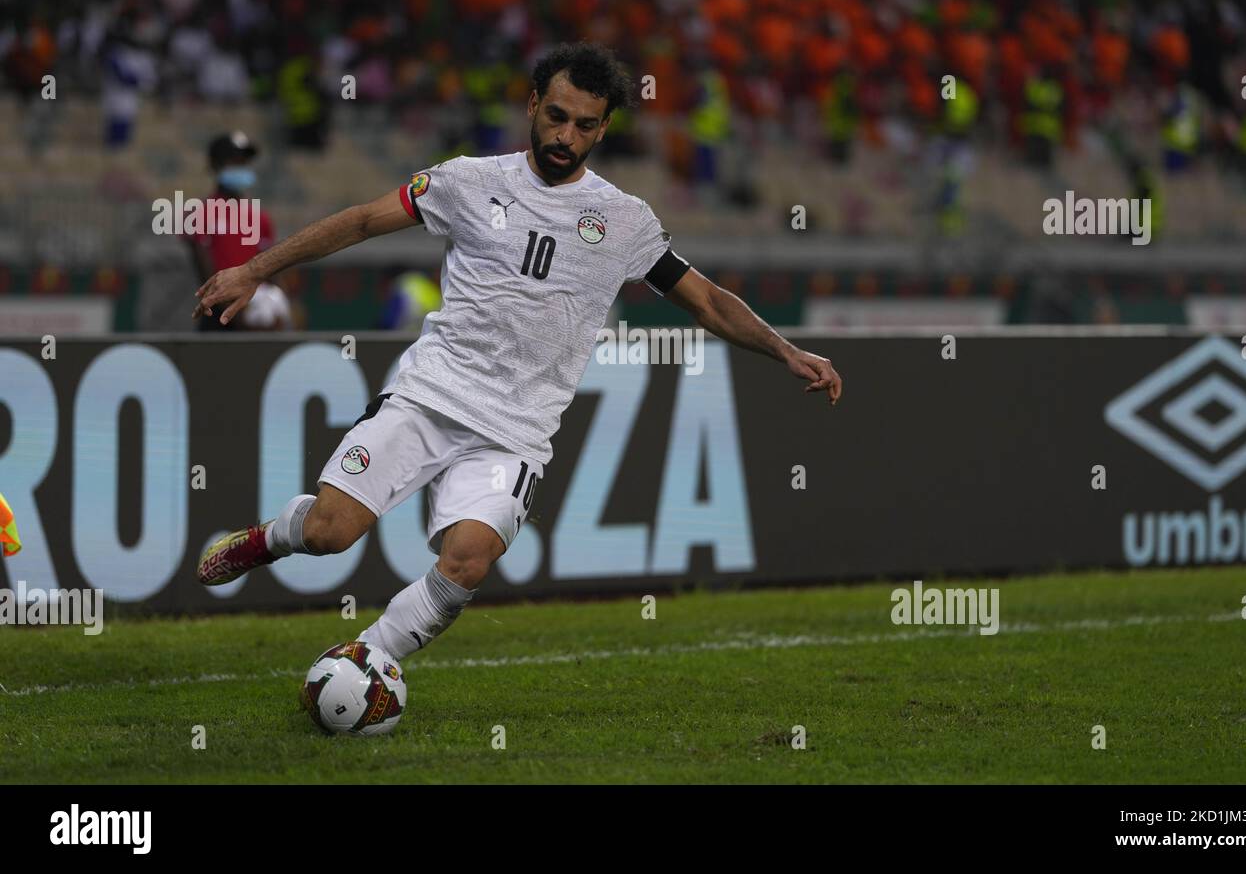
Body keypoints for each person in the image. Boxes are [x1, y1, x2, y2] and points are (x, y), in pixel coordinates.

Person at [192, 43, 842, 663]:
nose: (566, 136)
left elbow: (706, 301)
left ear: (603, 128)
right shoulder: (468, 182)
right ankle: (272, 537)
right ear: (532, 104)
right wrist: (254, 271)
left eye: (584, 125)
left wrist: (785, 351)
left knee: (467, 561)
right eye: (556, 117)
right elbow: (362, 221)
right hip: (427, 398)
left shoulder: (624, 220)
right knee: (329, 534)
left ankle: (367, 660)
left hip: (514, 434)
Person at [185, 131, 289, 331]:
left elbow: (271, 264)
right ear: (216, 165)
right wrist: (231, 311)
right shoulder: (201, 212)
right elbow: (203, 265)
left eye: (244, 162)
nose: (241, 167)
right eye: (234, 162)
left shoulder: (260, 217)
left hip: (255, 314)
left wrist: (285, 304)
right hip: (218, 314)